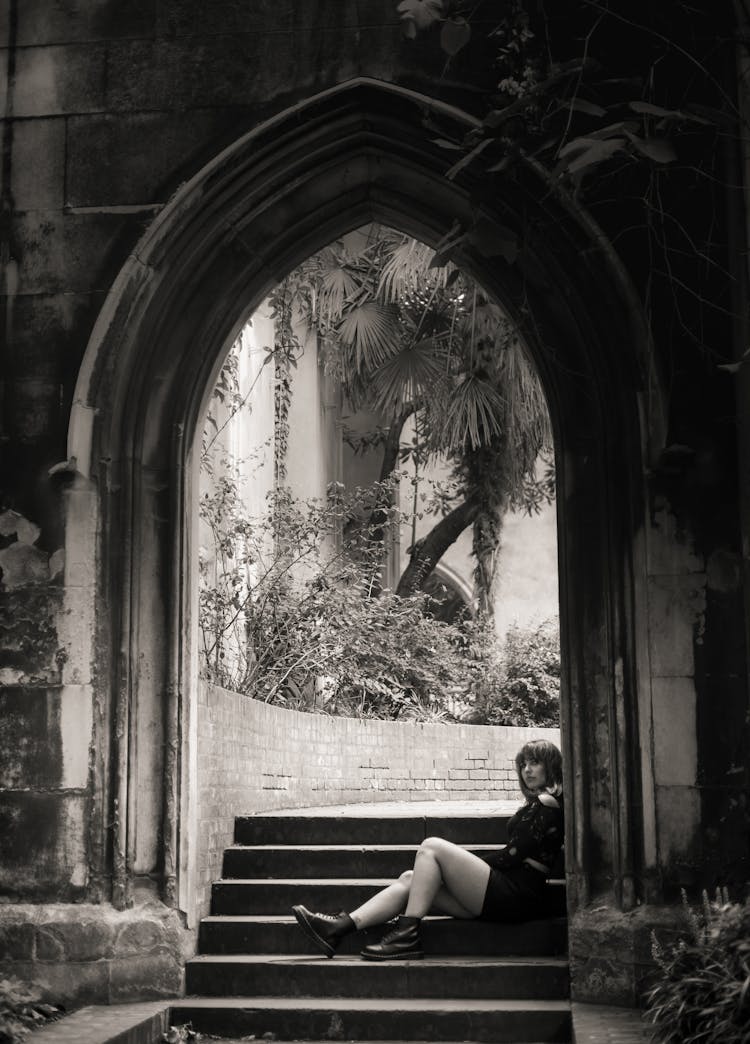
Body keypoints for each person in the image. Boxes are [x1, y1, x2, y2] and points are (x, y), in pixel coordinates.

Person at [291, 738, 563, 961]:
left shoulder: (547, 802)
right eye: (523, 764)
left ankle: (406, 936)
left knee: (431, 847)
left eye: (535, 763)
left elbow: (511, 856)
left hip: (516, 896)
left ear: (550, 767)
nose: (527, 769)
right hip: (504, 898)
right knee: (412, 879)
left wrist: (459, 869)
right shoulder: (536, 804)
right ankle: (338, 928)